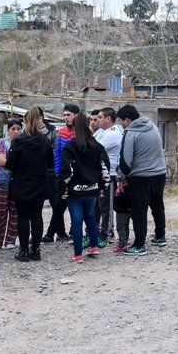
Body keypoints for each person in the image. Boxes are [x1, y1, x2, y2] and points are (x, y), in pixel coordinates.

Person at [58, 112, 111, 263]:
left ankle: (78, 254)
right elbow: (105, 168)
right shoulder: (98, 146)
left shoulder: (70, 147)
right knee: (89, 217)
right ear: (88, 125)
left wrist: (62, 189)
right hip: (92, 189)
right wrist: (103, 186)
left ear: (74, 127)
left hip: (75, 191)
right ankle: (94, 246)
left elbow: (66, 171)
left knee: (76, 221)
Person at [116, 104, 167, 256]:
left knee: (139, 211)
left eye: (121, 121)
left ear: (127, 120)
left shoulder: (130, 133)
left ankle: (139, 245)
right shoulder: (153, 127)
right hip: (160, 174)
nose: (121, 124)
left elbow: (125, 161)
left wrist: (122, 177)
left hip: (141, 177)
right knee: (157, 206)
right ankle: (160, 236)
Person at [6, 107, 53, 262]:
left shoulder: (18, 141)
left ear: (25, 121)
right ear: (40, 120)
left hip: (21, 183)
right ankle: (36, 250)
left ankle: (24, 251)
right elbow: (50, 163)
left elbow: (10, 165)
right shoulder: (45, 141)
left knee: (23, 217)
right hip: (39, 182)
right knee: (37, 216)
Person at [41, 103, 80, 244]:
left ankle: (73, 233)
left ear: (76, 115)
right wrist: (58, 172)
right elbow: (57, 153)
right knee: (58, 205)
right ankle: (50, 234)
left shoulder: (82, 133)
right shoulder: (61, 132)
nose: (66, 118)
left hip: (78, 176)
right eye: (64, 115)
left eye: (68, 115)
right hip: (63, 175)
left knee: (76, 206)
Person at [0, 118, 22, 252]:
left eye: (18, 129)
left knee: (15, 213)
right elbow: (1, 161)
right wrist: (19, 164)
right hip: (2, 183)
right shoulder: (1, 143)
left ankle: (10, 241)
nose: (16, 132)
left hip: (17, 183)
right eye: (13, 129)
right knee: (0, 214)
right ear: (8, 130)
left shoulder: (23, 143)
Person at [93, 107, 123, 245]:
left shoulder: (113, 133)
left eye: (100, 118)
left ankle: (107, 232)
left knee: (106, 207)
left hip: (109, 175)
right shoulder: (101, 132)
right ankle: (95, 232)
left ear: (108, 119)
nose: (97, 121)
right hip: (99, 174)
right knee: (97, 206)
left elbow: (94, 149)